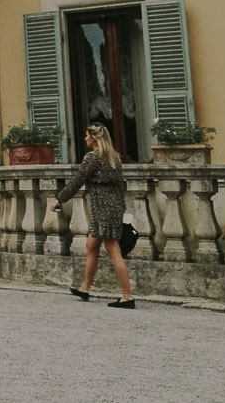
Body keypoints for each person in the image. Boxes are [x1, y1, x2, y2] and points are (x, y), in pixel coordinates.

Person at [51, 124, 135, 309]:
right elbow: (120, 185)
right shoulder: (114, 158)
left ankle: (127, 296)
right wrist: (121, 207)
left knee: (113, 249)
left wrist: (60, 200)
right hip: (113, 206)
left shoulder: (92, 157)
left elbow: (77, 181)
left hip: (102, 208)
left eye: (87, 135)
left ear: (94, 138)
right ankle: (85, 287)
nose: (85, 138)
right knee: (91, 245)